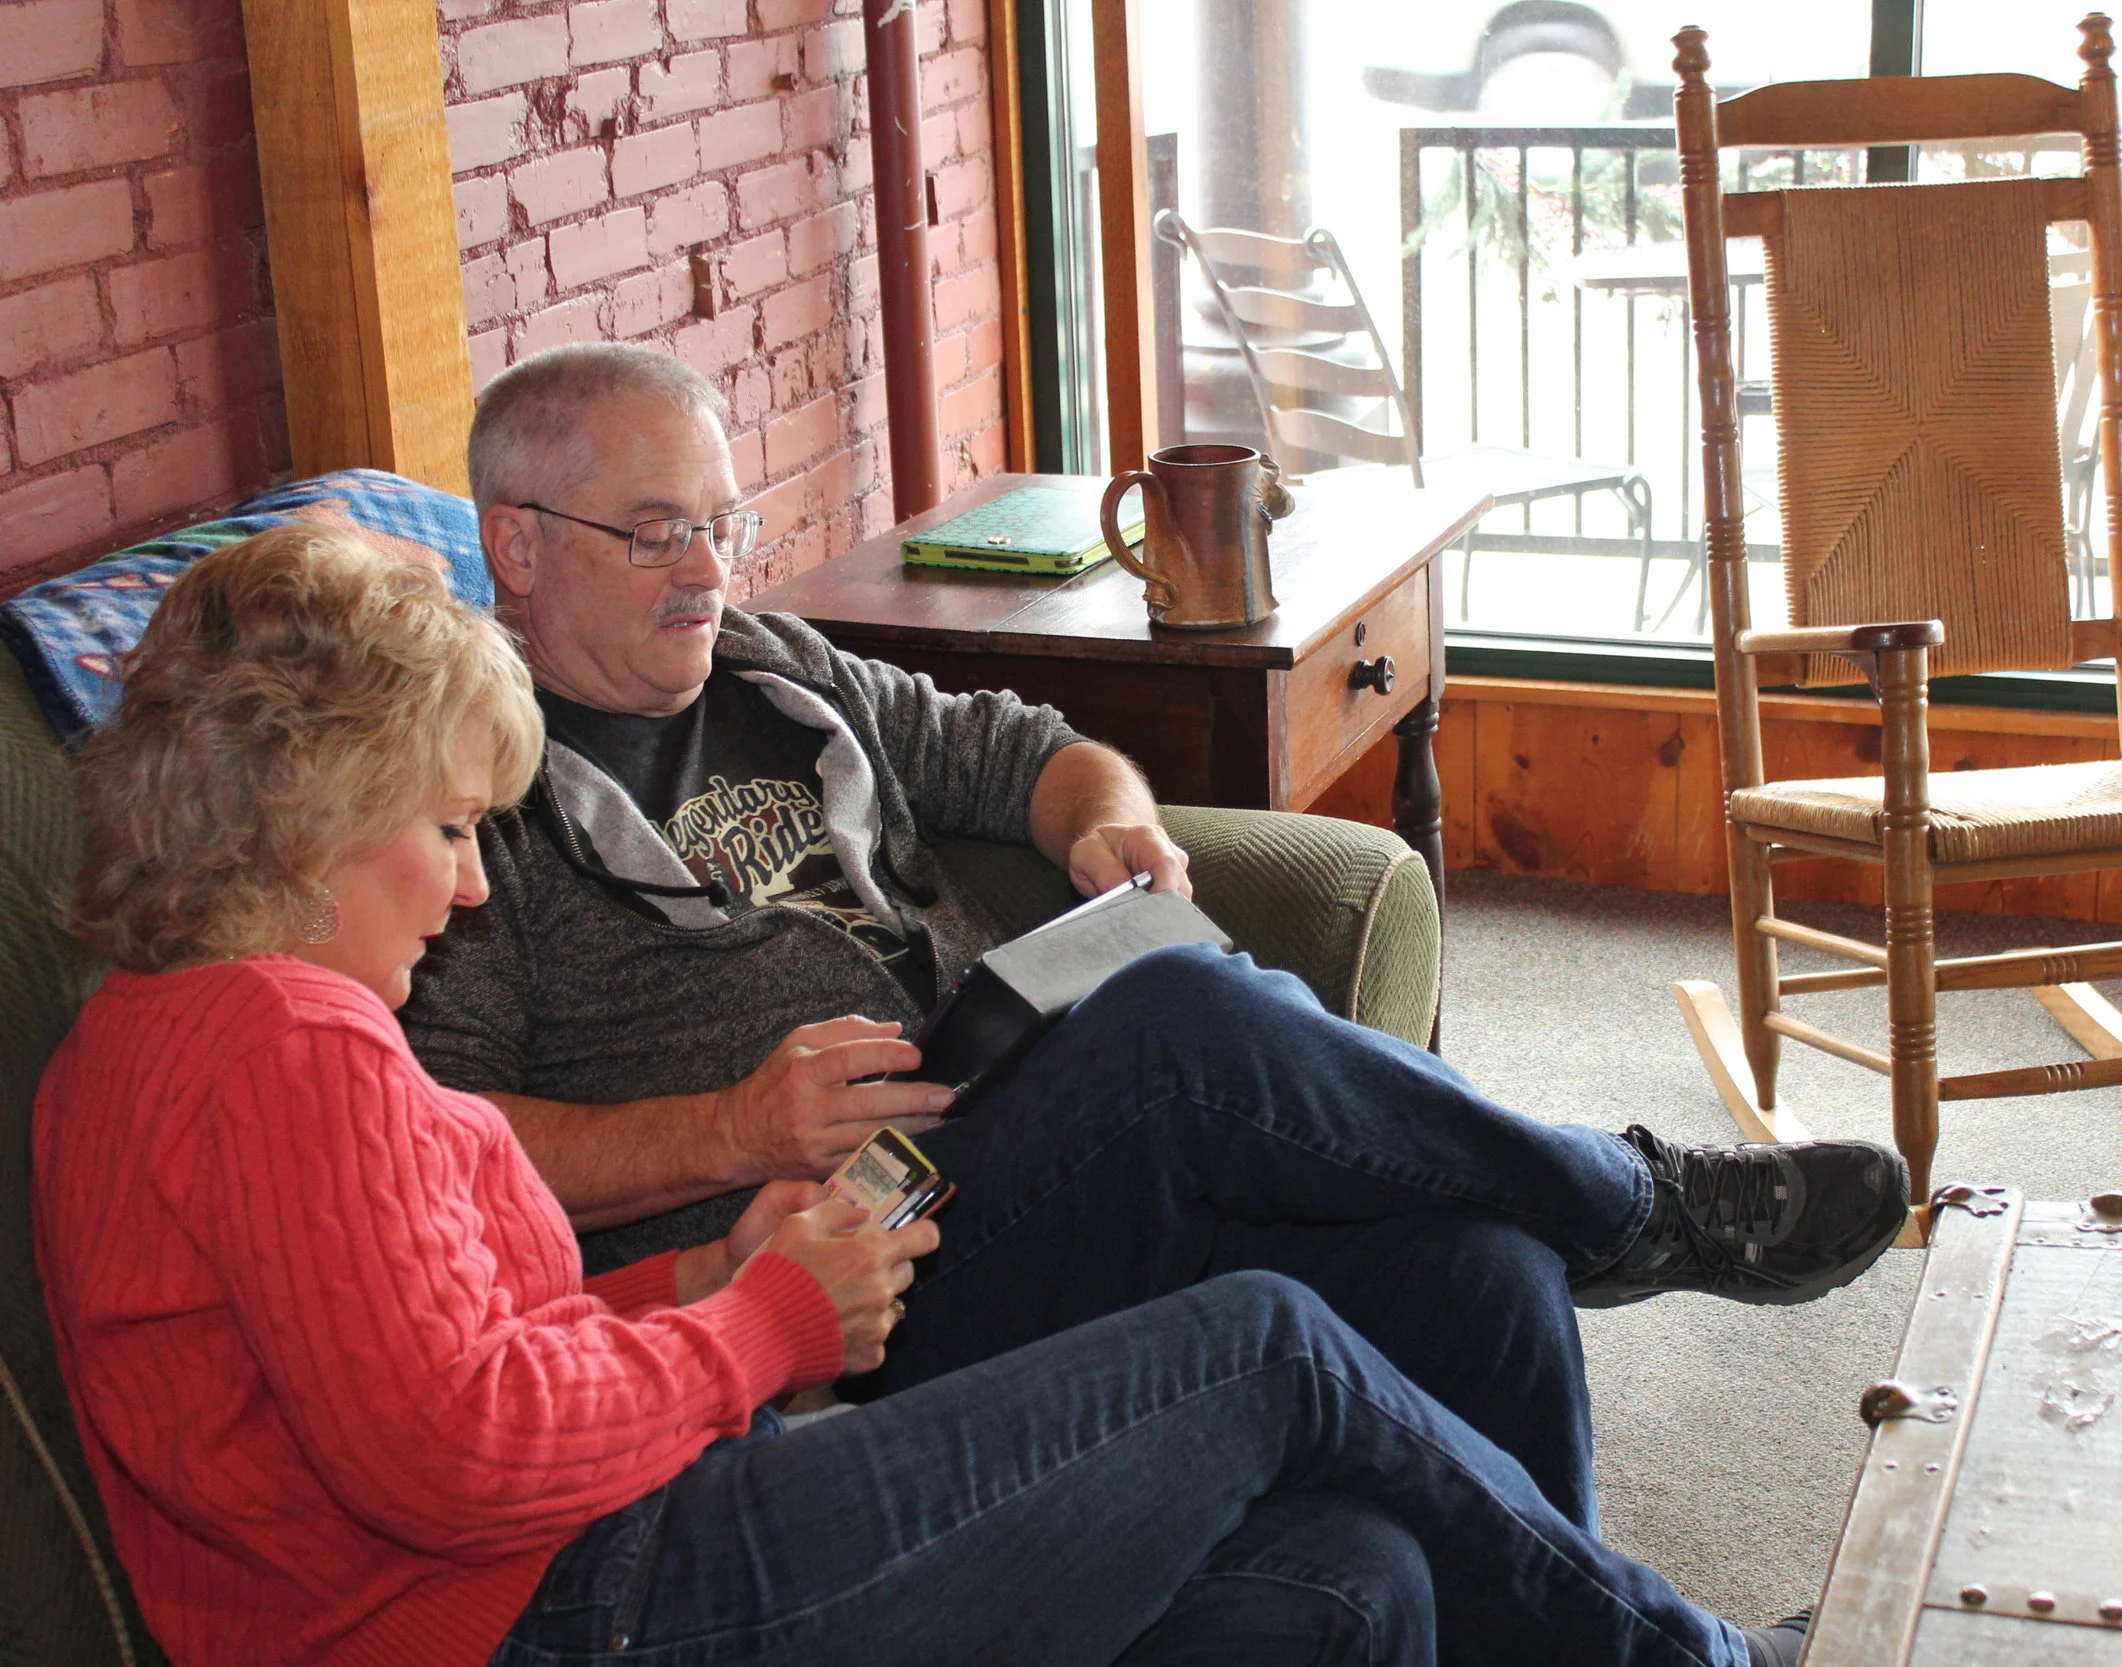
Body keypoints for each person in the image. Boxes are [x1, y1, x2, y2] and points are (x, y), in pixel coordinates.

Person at [38, 523, 1819, 1666]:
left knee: (1357, 1574)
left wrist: (706, 1288)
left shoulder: (182, 1034)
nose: (471, 879)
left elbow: (446, 1357)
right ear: (310, 816)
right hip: (574, 1603)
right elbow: (453, 1454)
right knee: (1270, 1343)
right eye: (441, 830)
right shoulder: (281, 1046)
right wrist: (755, 1324)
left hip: (606, 1535)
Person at [398, 341, 1910, 1541]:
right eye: (657, 531)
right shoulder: (471, 797)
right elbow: (443, 1150)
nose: (706, 569)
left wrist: (1107, 829)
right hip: (839, 1251)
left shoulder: (771, 664)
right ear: (515, 547)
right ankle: (1638, 1198)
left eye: (721, 522)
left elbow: (1031, 747)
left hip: (1020, 1124)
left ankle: (1575, 1579)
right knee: (1181, 1023)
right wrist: (724, 1123)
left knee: (1487, 1268)